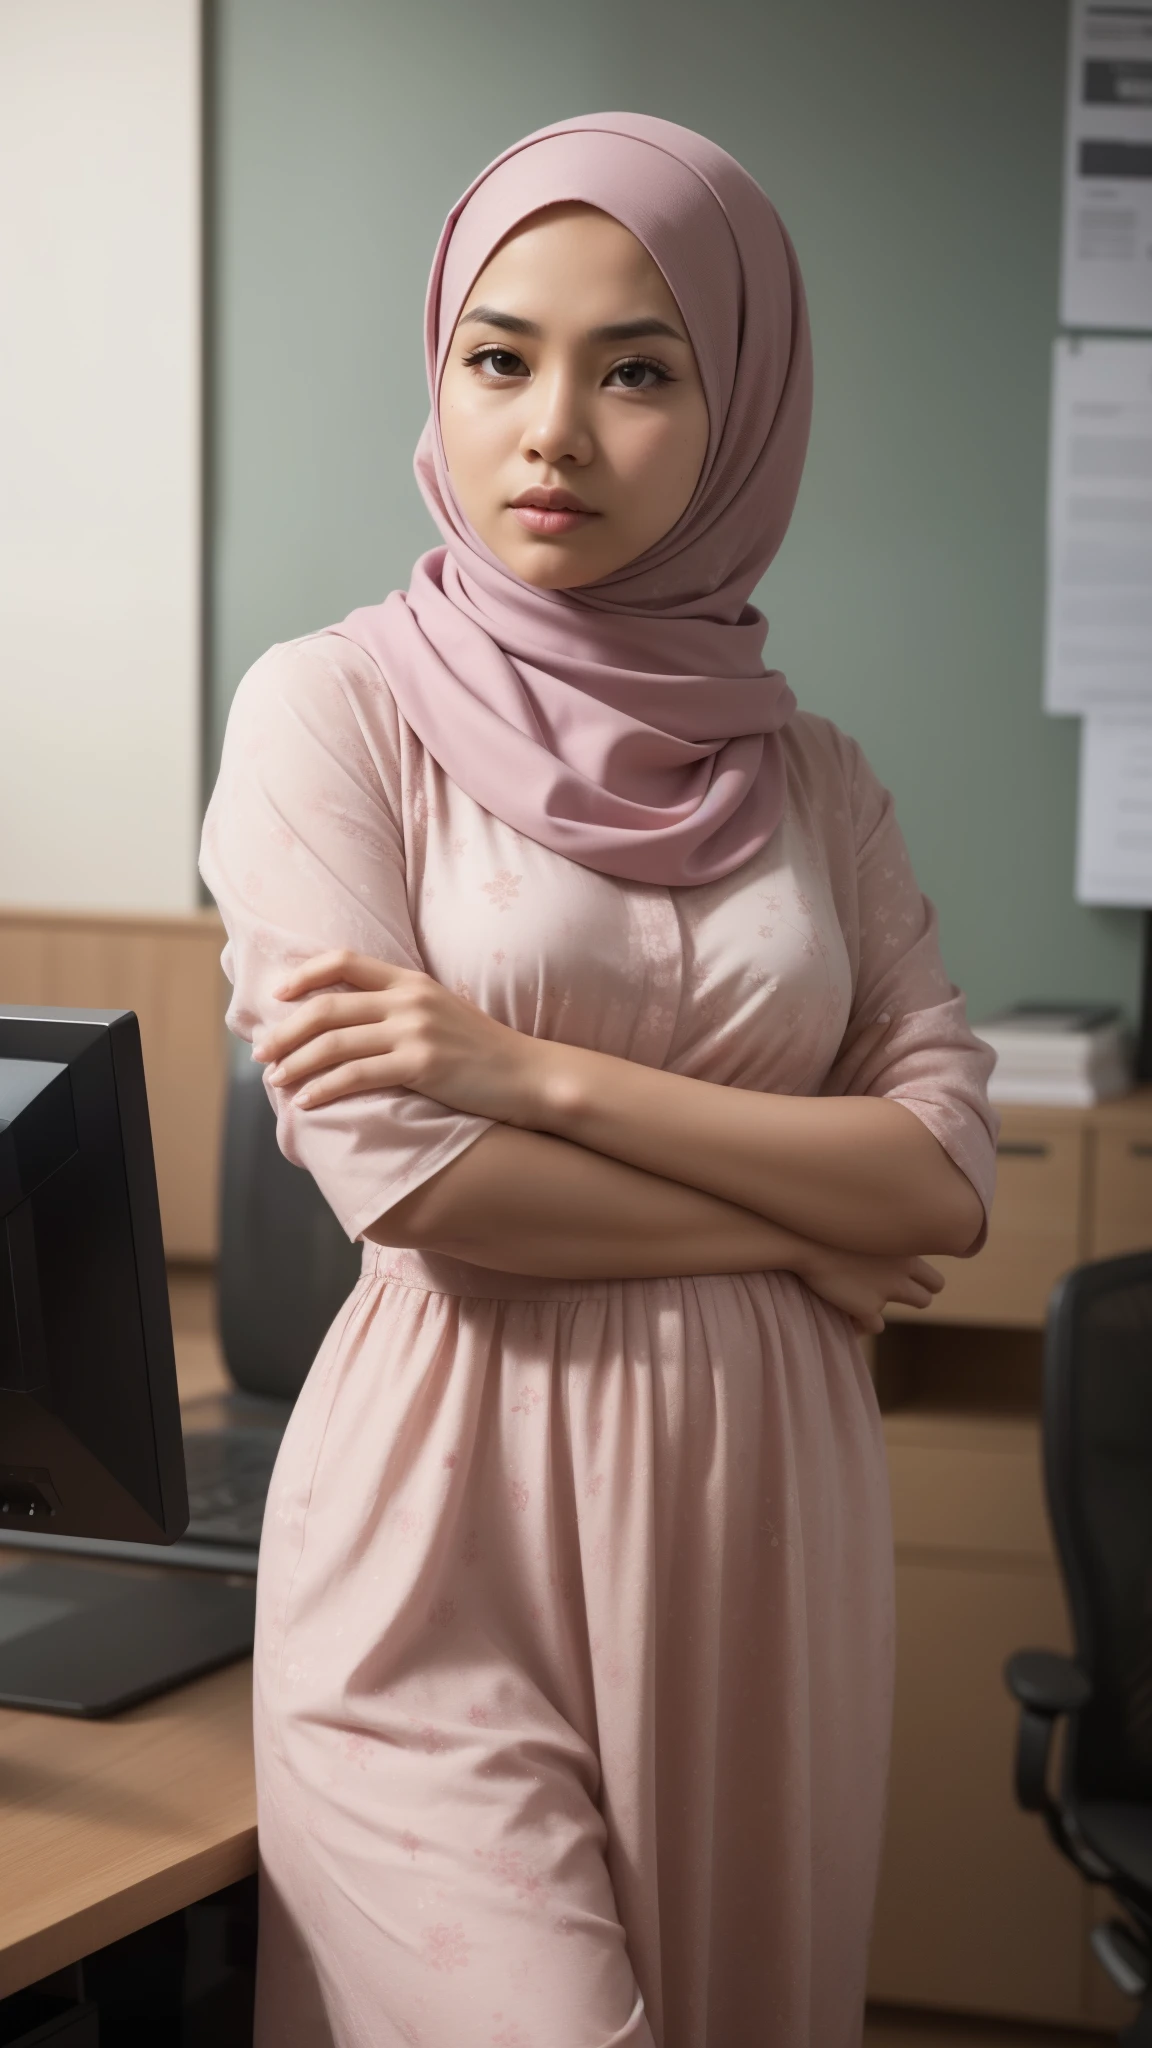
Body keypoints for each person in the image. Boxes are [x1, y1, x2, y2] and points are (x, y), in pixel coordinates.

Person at [200, 111, 998, 2048]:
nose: (551, 428)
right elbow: (416, 1180)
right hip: (436, 1534)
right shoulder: (331, 710)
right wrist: (806, 1216)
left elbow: (949, 1171)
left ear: (744, 410)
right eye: (501, 356)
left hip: (758, 1540)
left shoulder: (814, 780)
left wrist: (528, 1072)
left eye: (638, 369)